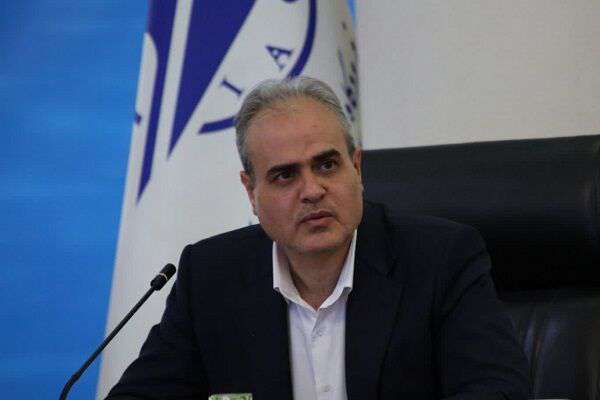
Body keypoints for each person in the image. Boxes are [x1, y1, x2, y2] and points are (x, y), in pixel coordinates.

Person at [107, 77, 530, 400]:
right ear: (251, 192)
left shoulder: (440, 259)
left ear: (356, 168)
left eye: (327, 165)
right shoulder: (211, 276)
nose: (312, 190)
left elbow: (497, 391)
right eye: (284, 175)